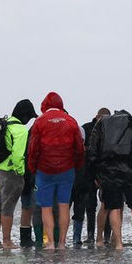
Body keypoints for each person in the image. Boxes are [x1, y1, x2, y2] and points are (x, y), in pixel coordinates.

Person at [87, 109, 132, 251]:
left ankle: (118, 243)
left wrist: (96, 174)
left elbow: (92, 150)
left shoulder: (103, 125)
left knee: (114, 208)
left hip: (109, 173)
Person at [27, 92, 84, 249]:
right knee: (64, 205)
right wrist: (76, 165)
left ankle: (50, 242)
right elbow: (79, 148)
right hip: (66, 169)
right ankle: (62, 243)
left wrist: (33, 167)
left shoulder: (40, 122)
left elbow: (33, 148)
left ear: (44, 106)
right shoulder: (71, 121)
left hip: (44, 170)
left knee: (46, 207)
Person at [0, 104, 27, 250]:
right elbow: (17, 155)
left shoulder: (3, 123)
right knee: (7, 206)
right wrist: (20, 171)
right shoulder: (21, 130)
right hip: (9, 172)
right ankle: (7, 241)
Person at [74, 107, 110, 247]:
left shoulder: (111, 130)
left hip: (104, 173)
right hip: (87, 173)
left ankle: (106, 236)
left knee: (107, 205)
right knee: (89, 205)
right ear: (96, 117)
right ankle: (90, 235)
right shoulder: (87, 128)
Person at [12, 100, 40, 247]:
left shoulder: (26, 133)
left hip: (23, 176)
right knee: (32, 207)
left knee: (26, 207)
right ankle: (30, 238)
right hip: (31, 176)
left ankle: (25, 238)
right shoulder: (28, 134)